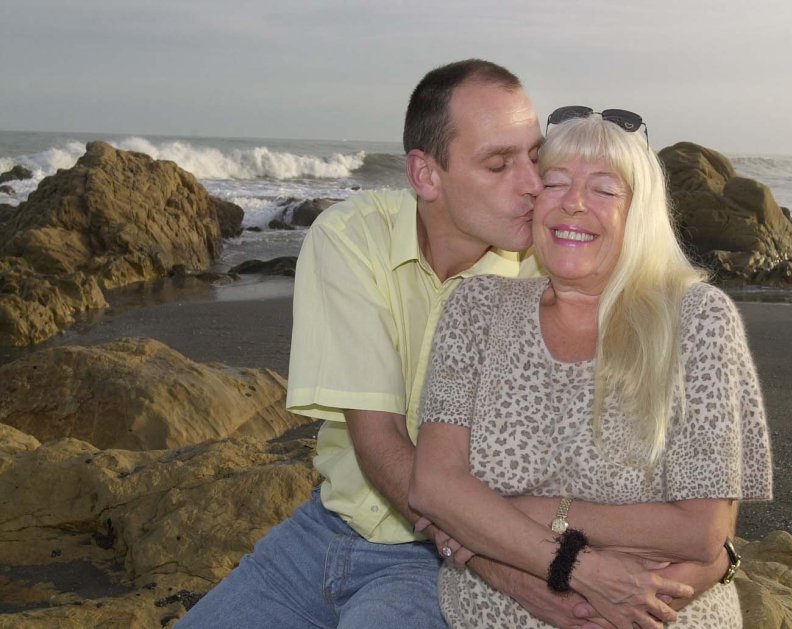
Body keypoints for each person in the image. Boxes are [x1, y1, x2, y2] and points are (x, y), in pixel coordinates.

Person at [180, 61, 695, 628]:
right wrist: (528, 580)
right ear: (426, 177)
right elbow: (378, 442)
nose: (531, 183)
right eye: (499, 164)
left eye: (534, 156)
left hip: (445, 563)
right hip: (324, 529)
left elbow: (661, 481)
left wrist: (713, 557)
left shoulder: (559, 275)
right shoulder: (354, 237)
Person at [409, 109, 773, 628]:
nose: (574, 202)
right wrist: (584, 569)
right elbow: (434, 488)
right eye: (554, 183)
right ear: (533, 205)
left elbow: (702, 533)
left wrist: (534, 512)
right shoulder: (476, 308)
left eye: (605, 190)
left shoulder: (696, 319)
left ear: (639, 214)